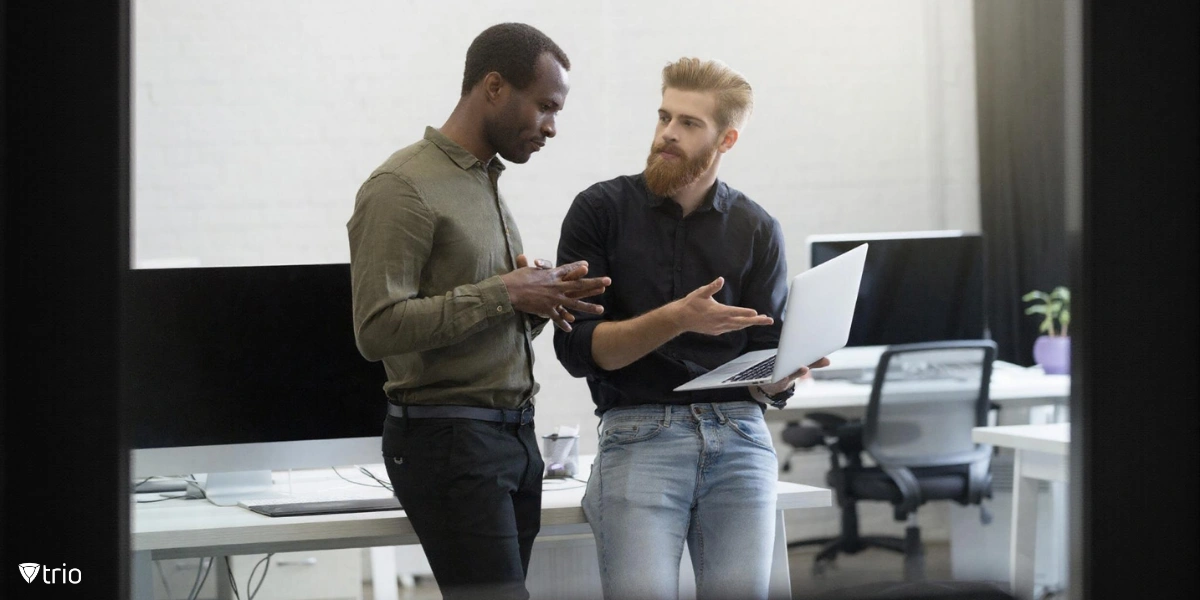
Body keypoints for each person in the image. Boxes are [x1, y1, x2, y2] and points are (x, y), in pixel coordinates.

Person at [347, 23, 610, 600]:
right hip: (449, 440)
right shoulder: (402, 187)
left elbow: (483, 317)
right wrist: (507, 293)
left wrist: (543, 299)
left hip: (512, 436)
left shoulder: (486, 184)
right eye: (545, 106)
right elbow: (376, 328)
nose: (552, 127)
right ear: (494, 87)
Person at [553, 57, 829, 599]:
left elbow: (764, 358)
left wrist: (783, 373)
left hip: (740, 432)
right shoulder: (599, 211)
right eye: (664, 117)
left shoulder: (756, 227)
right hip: (639, 433)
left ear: (725, 140)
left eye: (688, 124)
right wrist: (677, 318)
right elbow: (580, 351)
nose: (667, 135)